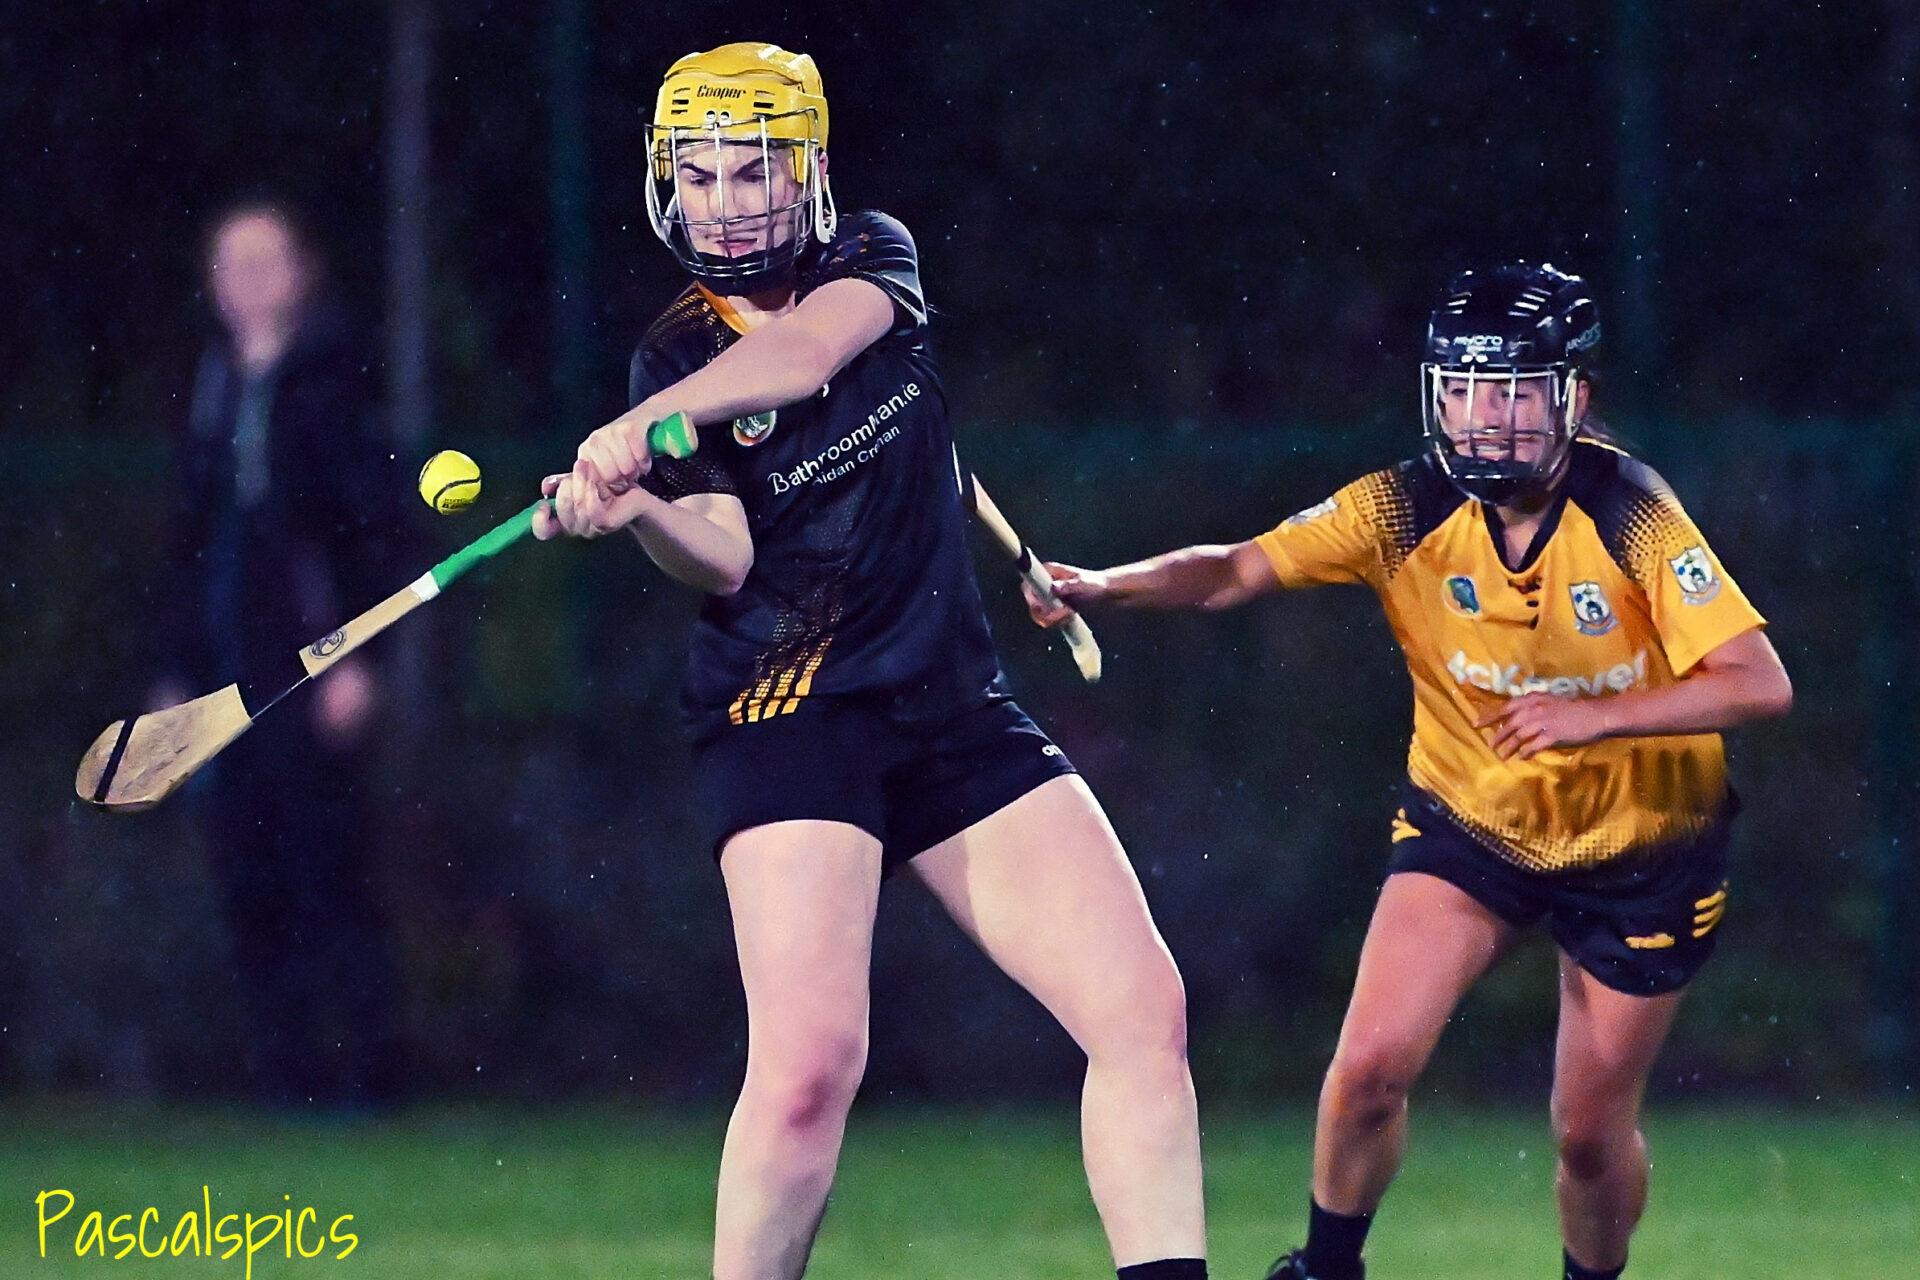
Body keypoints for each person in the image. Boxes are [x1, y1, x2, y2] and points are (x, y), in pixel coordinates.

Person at [531, 43, 1207, 1280]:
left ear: (808, 174)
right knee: (807, 1072)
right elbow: (725, 555)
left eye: (754, 172)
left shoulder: (869, 258)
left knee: (1141, 1011)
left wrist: (633, 431)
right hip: (788, 710)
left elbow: (805, 355)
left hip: (949, 701)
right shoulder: (670, 356)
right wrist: (635, 507)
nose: (726, 204)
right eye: (700, 175)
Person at [1026, 263, 1792, 1280]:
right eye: (1465, 389)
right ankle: (1325, 1269)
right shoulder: (1402, 506)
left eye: (1514, 392)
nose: (1486, 419)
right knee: (1367, 1072)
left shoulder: (1631, 511)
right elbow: (1238, 567)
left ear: (1574, 399)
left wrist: (1593, 718)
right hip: (1469, 825)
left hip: (1645, 849)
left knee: (1586, 1138)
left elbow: (1758, 681)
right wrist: (1105, 585)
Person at [158, 200, 405, 1106]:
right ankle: (284, 1077)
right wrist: (174, 669)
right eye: (230, 266)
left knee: (330, 866)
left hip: (309, 668)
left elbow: (368, 534)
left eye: (265, 263)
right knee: (246, 870)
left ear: (302, 273)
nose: (247, 284)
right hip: (227, 672)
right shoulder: (209, 384)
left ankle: (371, 1075)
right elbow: (187, 545)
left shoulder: (336, 381)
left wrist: (361, 659)